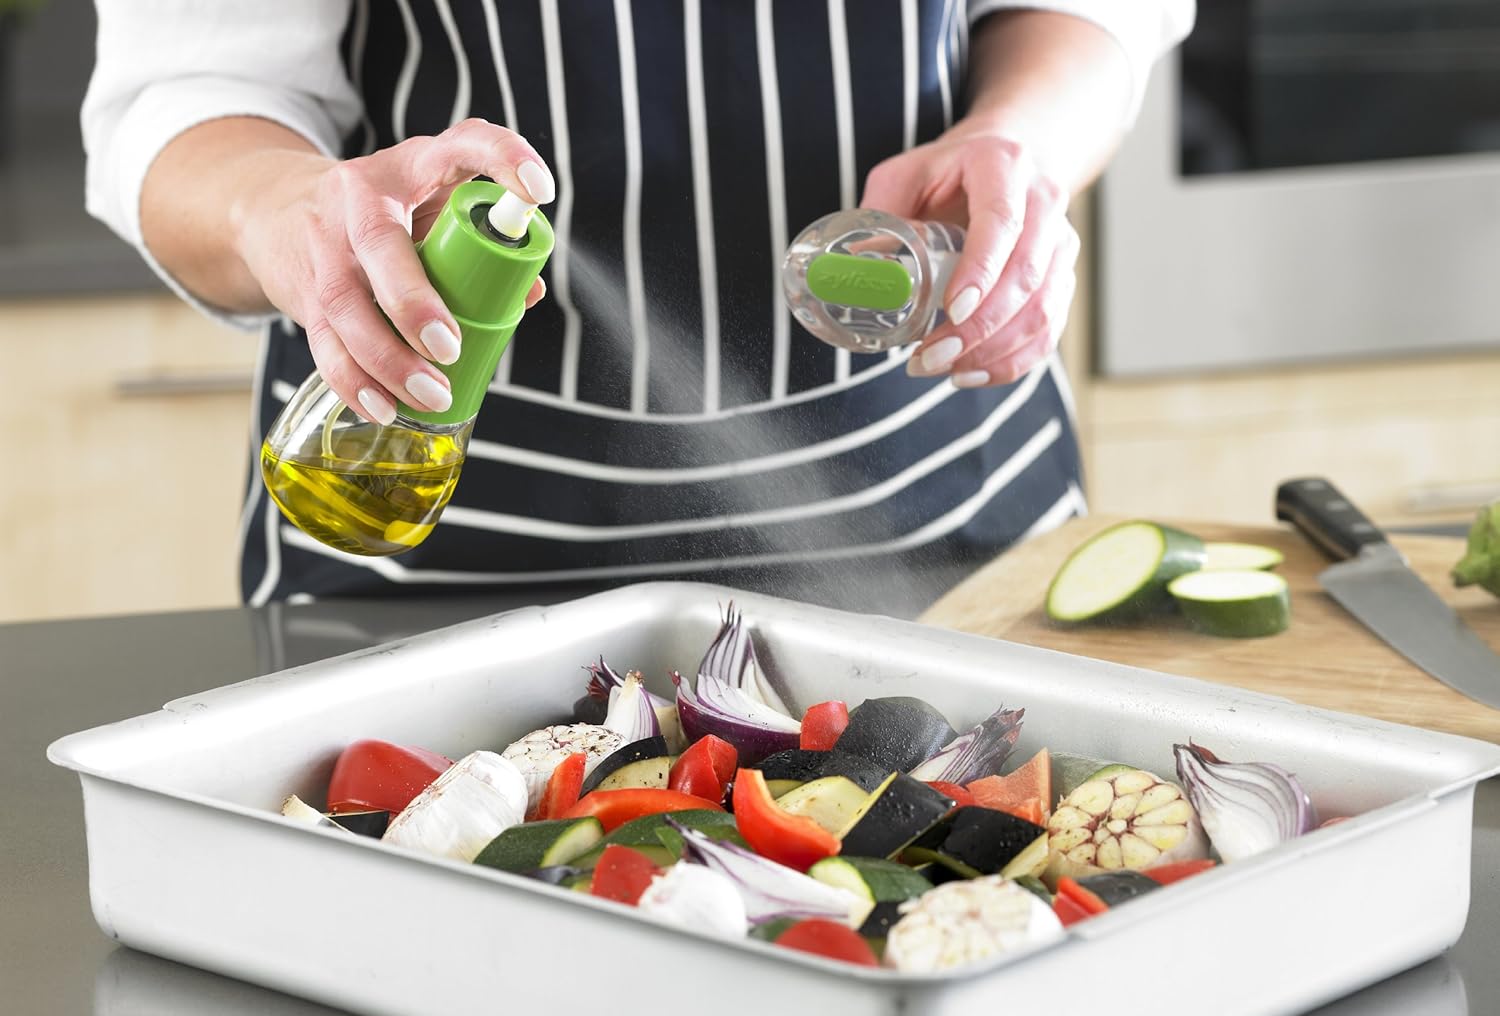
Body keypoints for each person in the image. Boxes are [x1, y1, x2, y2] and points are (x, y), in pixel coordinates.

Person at [83, 1, 1193, 609]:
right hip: (441, 558)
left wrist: (1018, 143)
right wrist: (287, 212)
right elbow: (189, 91)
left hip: (944, 518)